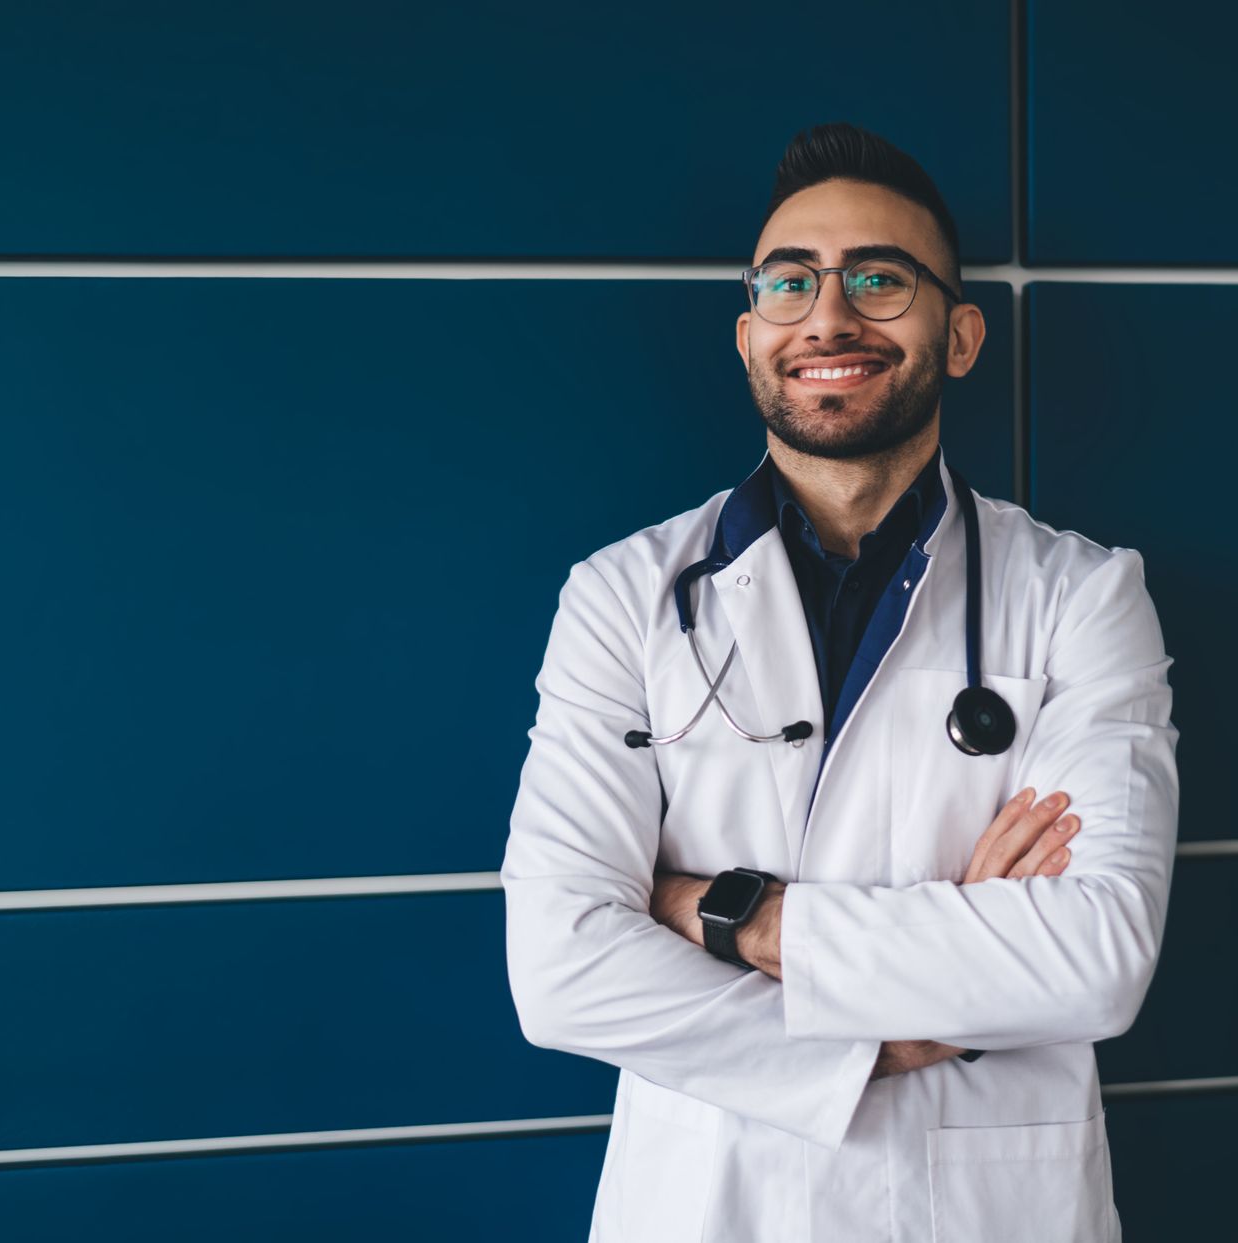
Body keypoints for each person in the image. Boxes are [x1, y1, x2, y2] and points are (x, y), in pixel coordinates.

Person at [502, 122, 1179, 1242]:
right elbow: (561, 968)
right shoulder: (623, 595)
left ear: (961, 336)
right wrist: (890, 1038)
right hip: (711, 1204)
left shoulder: (1081, 595)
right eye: (790, 282)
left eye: (879, 278)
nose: (829, 317)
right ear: (747, 335)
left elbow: (1094, 959)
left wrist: (723, 914)